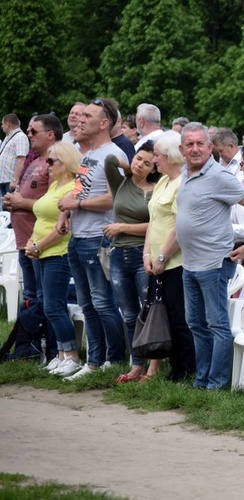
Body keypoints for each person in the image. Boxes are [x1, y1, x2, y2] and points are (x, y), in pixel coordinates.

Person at [175, 122, 244, 390]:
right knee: (196, 325)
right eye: (189, 144)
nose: (195, 149)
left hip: (213, 263)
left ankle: (217, 383)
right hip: (189, 263)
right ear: (181, 149)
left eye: (200, 143)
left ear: (210, 147)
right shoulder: (185, 174)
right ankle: (202, 380)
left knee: (217, 326)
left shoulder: (219, 176)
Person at [57, 98, 128, 381]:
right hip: (78, 236)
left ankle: (113, 358)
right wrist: (65, 215)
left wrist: (79, 205)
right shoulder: (88, 155)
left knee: (102, 302)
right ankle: (94, 361)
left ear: (104, 123)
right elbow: (80, 189)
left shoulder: (113, 155)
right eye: (81, 115)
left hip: (98, 238)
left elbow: (117, 198)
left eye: (88, 115)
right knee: (87, 304)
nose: (80, 119)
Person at [104, 141, 158, 383]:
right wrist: (129, 168)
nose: (141, 165)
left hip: (143, 255)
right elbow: (109, 161)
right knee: (128, 314)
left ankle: (152, 365)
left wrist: (123, 227)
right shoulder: (121, 183)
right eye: (139, 159)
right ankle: (136, 364)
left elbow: (156, 226)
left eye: (147, 163)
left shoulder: (157, 190)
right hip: (118, 255)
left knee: (147, 312)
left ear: (153, 169)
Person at [143, 131, 195, 382]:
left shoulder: (181, 184)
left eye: (157, 155)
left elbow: (178, 226)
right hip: (156, 260)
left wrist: (162, 256)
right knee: (162, 314)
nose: (154, 160)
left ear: (172, 157)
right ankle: (172, 368)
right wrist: (147, 253)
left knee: (178, 317)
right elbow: (152, 221)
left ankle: (183, 371)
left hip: (176, 261)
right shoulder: (162, 182)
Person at [26, 141, 81, 377]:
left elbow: (62, 228)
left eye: (51, 161)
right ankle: (60, 354)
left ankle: (72, 355)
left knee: (54, 306)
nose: (46, 165)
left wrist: (38, 245)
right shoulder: (55, 185)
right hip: (42, 253)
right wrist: (32, 242)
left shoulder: (72, 187)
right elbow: (43, 218)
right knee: (51, 307)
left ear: (66, 162)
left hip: (58, 253)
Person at [4, 115, 61, 304]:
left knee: (42, 296)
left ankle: (44, 333)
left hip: (41, 242)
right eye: (28, 130)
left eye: (33, 131)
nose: (28, 134)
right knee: (30, 295)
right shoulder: (35, 161)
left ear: (50, 134)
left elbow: (55, 205)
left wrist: (21, 204)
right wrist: (12, 200)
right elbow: (25, 193)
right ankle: (32, 333)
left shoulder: (56, 165)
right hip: (24, 241)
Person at [0, 114, 30, 196]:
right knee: (4, 207)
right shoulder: (8, 137)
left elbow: (21, 159)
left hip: (10, 181)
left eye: (3, 124)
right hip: (3, 179)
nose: (2, 126)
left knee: (9, 207)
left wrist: (15, 180)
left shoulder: (20, 137)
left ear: (8, 124)